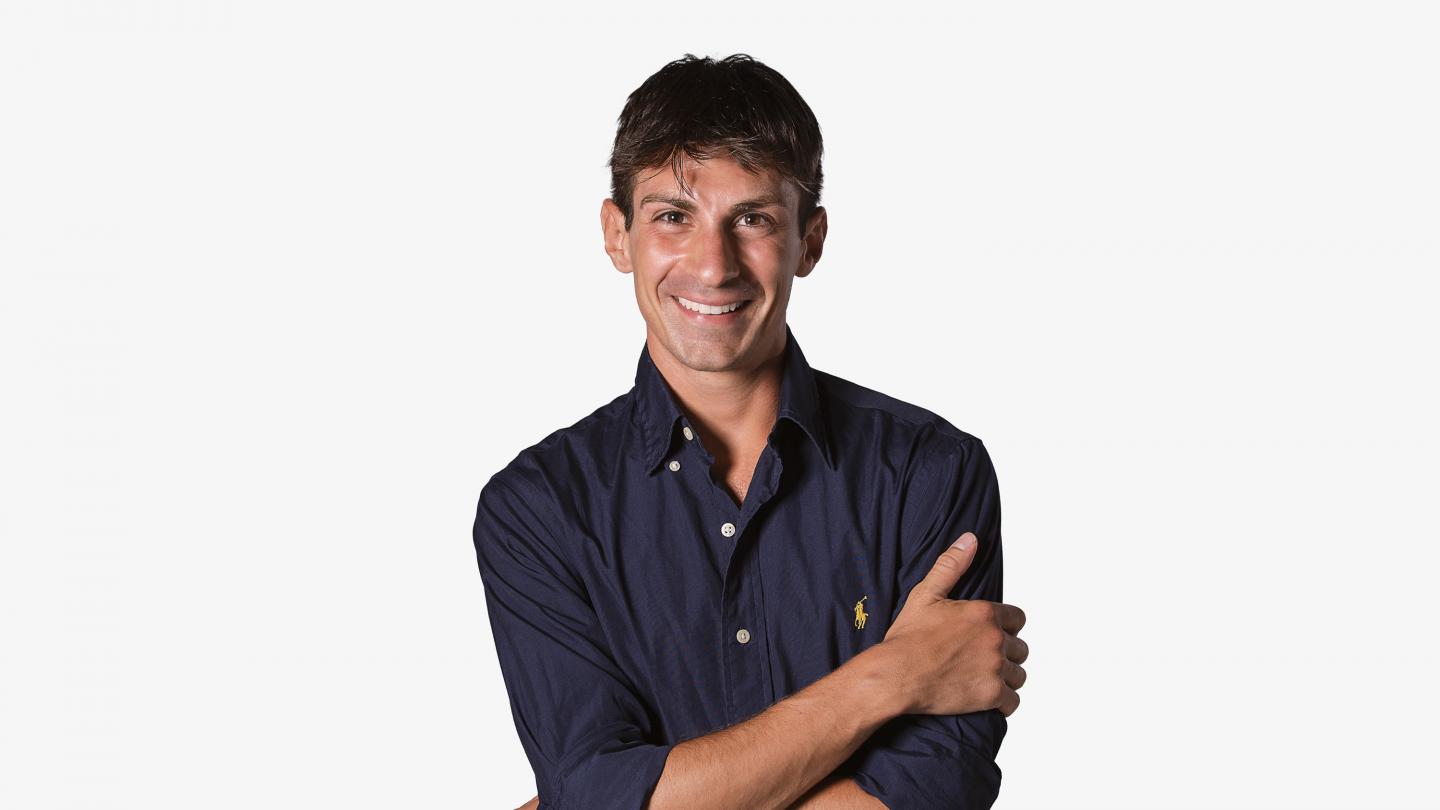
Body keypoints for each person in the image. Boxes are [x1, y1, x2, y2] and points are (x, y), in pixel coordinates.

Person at [473, 53, 1029, 810]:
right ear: (617, 234)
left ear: (810, 239)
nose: (713, 264)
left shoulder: (929, 473)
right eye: (673, 216)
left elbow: (933, 790)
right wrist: (890, 677)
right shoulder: (537, 510)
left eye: (754, 219)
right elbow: (595, 791)